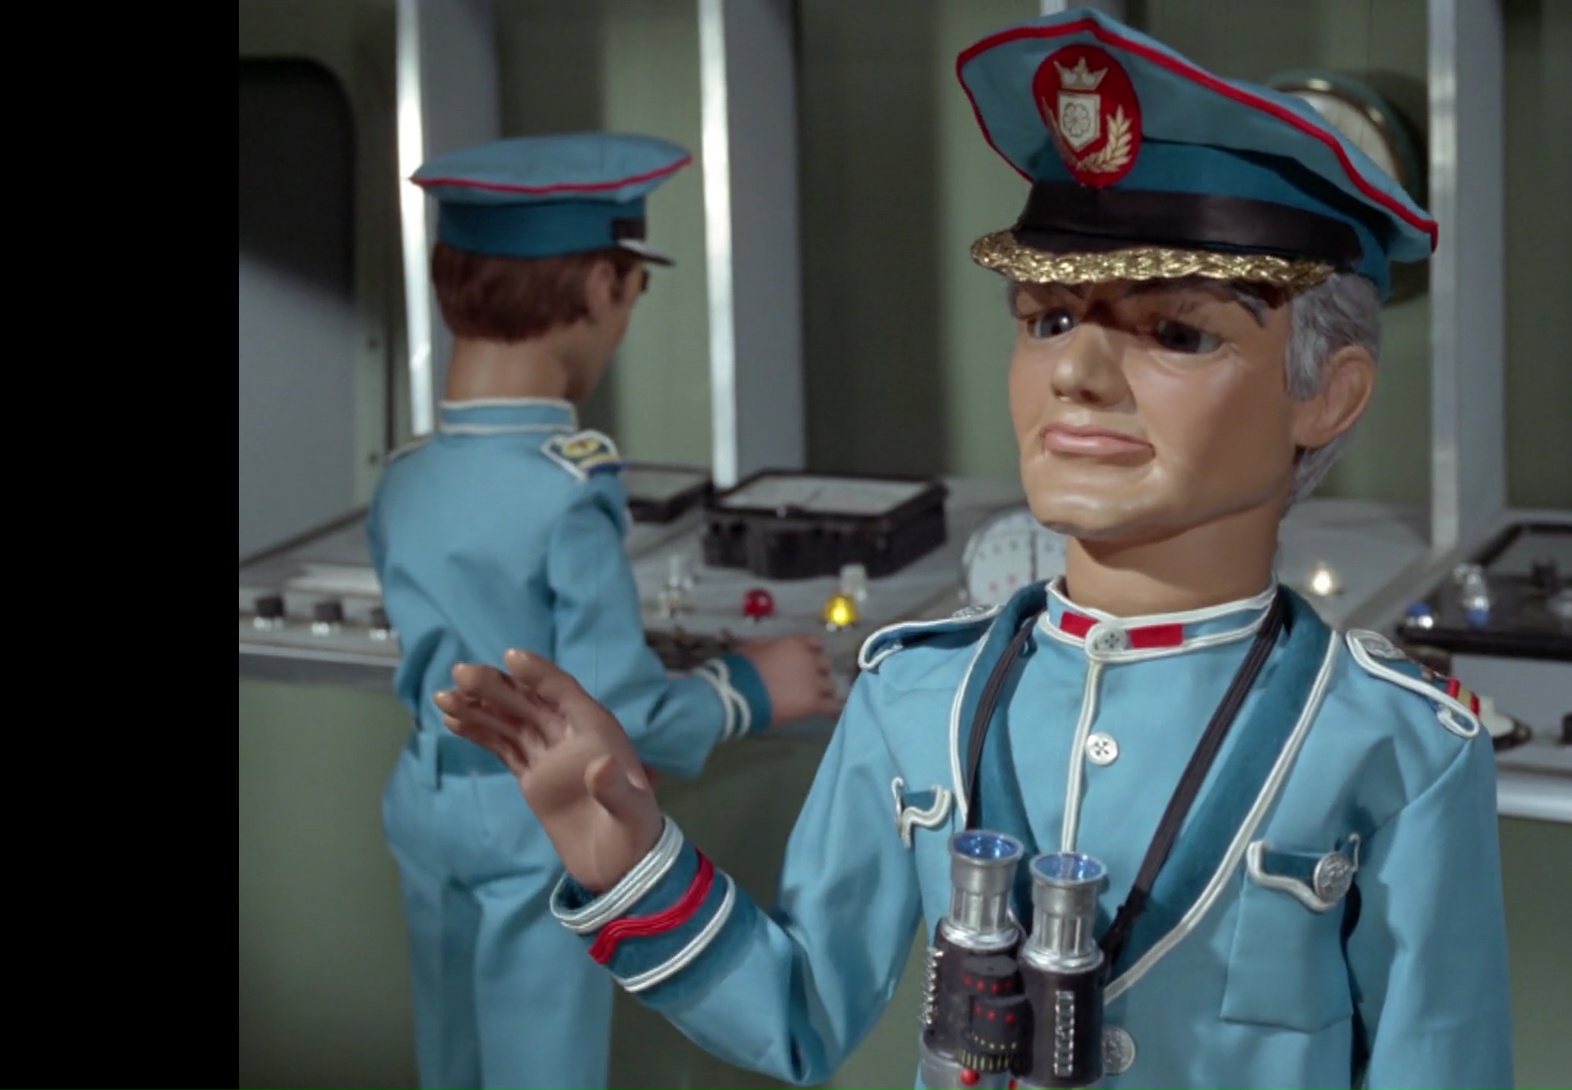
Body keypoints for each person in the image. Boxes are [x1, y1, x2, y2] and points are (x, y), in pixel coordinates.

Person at [435, 11, 1514, 1088]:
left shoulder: (1395, 748)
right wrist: (631, 860)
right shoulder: (917, 698)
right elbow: (798, 1014)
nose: (1076, 374)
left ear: (1329, 395)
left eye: (1179, 333)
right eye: (1048, 320)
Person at [369, 131, 843, 1090]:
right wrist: (750, 687)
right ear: (599, 286)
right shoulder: (567, 490)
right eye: (630, 292)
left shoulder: (404, 478)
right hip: (533, 822)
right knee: (540, 1067)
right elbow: (615, 713)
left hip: (426, 798)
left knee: (452, 1059)